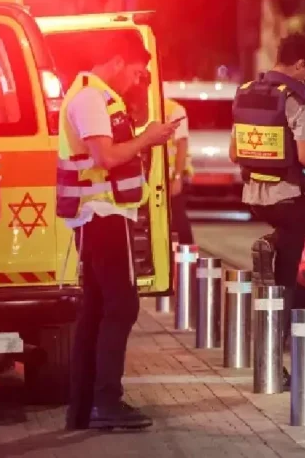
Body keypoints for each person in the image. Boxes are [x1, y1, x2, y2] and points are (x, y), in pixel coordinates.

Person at [59, 34, 180, 430]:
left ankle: (84, 406)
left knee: (96, 310)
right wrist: (148, 138)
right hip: (104, 216)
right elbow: (106, 156)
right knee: (121, 307)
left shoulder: (92, 96)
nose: (136, 80)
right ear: (116, 62)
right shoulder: (92, 99)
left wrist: (145, 131)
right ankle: (106, 402)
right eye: (135, 71)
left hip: (98, 217)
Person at [229, 33, 305, 385]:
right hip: (287, 198)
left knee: (279, 263)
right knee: (284, 286)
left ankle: (269, 244)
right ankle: (273, 364)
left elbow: (234, 153)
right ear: (299, 64)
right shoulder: (298, 100)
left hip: (254, 197)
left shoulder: (246, 91)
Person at [164, 97, 194, 244]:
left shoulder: (173, 109)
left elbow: (182, 144)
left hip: (172, 177)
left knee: (178, 220)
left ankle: (188, 263)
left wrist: (177, 177)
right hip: (156, 178)